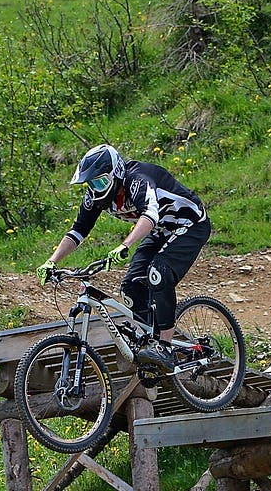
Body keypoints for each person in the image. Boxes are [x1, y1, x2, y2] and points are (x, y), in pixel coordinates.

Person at [39, 143, 210, 373]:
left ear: (116, 173)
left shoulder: (137, 179)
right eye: (91, 183)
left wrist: (124, 245)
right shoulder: (95, 197)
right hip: (160, 231)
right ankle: (151, 342)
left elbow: (150, 214)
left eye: (100, 182)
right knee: (130, 288)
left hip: (190, 224)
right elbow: (78, 231)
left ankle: (166, 347)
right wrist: (52, 260)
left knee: (158, 274)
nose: (96, 188)